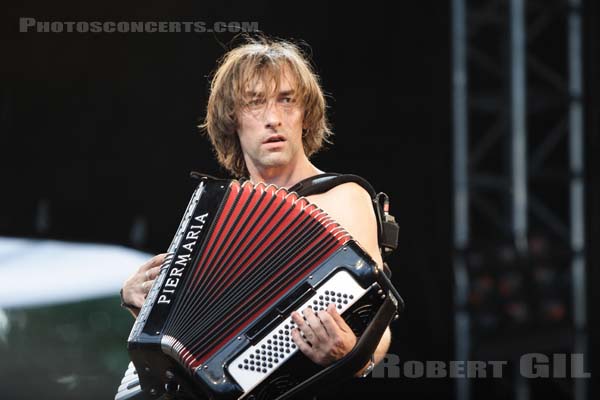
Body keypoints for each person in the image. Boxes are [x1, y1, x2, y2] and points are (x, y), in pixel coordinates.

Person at [120, 35, 391, 379]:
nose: (273, 118)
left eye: (286, 101)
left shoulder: (343, 196)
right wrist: (137, 303)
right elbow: (189, 333)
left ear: (305, 116)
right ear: (232, 119)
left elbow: (379, 323)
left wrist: (351, 356)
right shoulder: (218, 215)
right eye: (255, 103)